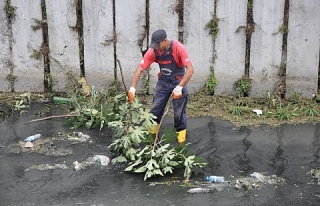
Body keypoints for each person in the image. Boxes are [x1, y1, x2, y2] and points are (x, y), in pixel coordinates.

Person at [127, 29, 194, 145]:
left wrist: (179, 87)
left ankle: (181, 142)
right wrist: (132, 88)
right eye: (155, 46)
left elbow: (190, 69)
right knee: (155, 111)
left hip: (178, 82)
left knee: (178, 114)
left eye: (158, 45)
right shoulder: (153, 52)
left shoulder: (178, 48)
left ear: (165, 41)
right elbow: (140, 69)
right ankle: (151, 140)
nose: (156, 48)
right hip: (163, 83)